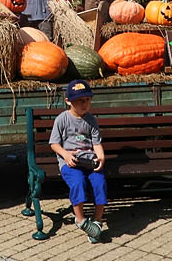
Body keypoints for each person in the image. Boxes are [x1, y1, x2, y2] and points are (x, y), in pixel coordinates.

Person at [49, 79, 107, 244]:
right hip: (71, 163)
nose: (85, 104)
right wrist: (65, 155)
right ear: (68, 101)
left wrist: (101, 157)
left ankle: (96, 221)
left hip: (89, 162)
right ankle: (81, 220)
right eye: (80, 101)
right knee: (78, 183)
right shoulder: (62, 119)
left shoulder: (91, 120)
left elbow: (96, 144)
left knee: (99, 182)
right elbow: (54, 144)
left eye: (87, 100)